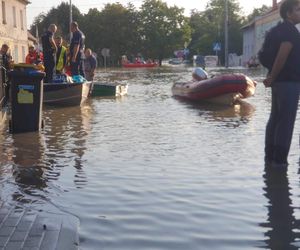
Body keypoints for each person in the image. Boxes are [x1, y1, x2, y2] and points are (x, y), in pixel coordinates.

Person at [263, 0, 300, 167]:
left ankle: (269, 157)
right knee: (286, 121)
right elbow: (282, 56)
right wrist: (273, 76)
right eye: (299, 9)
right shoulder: (290, 31)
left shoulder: (276, 30)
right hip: (289, 82)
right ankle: (279, 162)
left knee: (275, 118)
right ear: (289, 13)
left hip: (279, 83)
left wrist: (272, 77)